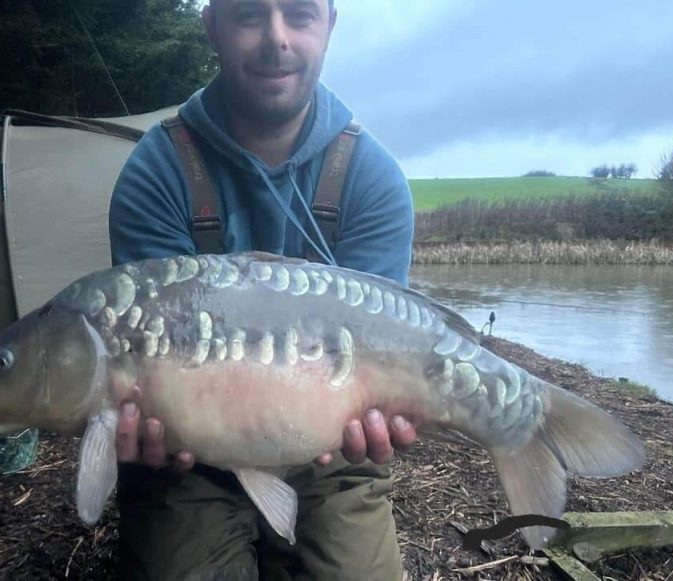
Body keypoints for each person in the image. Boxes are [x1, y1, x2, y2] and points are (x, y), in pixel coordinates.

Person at [108, 0, 417, 578]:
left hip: (332, 449)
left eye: (299, 14)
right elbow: (137, 358)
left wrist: (387, 414)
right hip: (189, 456)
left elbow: (388, 353)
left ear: (329, 27)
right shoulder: (158, 169)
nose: (276, 38)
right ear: (212, 28)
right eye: (249, 15)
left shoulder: (371, 176)